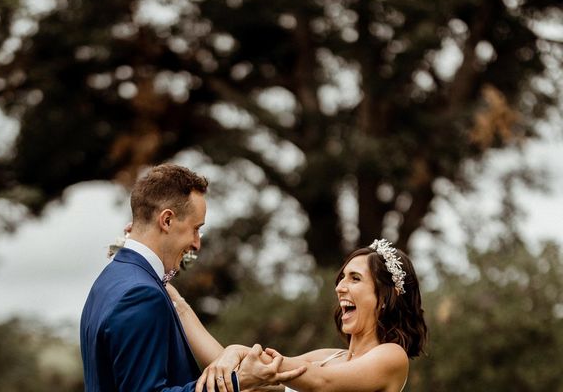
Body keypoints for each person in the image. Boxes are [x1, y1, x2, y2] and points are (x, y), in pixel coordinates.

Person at [80, 164, 305, 392]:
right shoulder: (141, 294)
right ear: (166, 220)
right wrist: (239, 382)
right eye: (196, 229)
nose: (197, 243)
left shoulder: (107, 281)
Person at [167, 238, 427, 392]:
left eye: (355, 278)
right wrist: (174, 298)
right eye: (341, 278)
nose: (339, 287)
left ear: (384, 297)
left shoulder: (391, 356)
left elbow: (322, 383)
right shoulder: (326, 357)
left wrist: (236, 349)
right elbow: (238, 374)